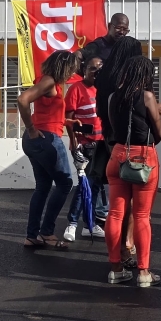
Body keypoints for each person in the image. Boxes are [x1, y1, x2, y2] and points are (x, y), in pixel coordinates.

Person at [104, 55, 161, 287]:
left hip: (118, 154)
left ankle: (115, 269)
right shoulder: (147, 96)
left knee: (114, 214)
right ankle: (144, 273)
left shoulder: (112, 97)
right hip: (143, 157)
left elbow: (113, 126)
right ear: (146, 75)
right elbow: (158, 133)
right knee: (141, 215)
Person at [18, 50, 82, 249]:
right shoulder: (49, 82)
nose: (73, 73)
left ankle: (32, 236)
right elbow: (23, 99)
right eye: (72, 69)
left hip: (36, 140)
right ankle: (47, 232)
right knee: (64, 183)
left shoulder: (49, 82)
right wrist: (31, 128)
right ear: (64, 67)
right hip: (46, 139)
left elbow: (47, 112)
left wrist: (67, 121)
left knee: (43, 186)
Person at [95, 36, 145, 265]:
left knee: (116, 204)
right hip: (131, 143)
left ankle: (117, 252)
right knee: (134, 199)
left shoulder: (105, 74)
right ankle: (128, 244)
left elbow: (101, 109)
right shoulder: (132, 79)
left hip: (110, 139)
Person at [63, 56, 106, 242]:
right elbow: (69, 119)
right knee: (84, 186)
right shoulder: (76, 89)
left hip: (102, 145)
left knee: (95, 186)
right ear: (84, 70)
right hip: (85, 145)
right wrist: (74, 143)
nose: (95, 72)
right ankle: (72, 223)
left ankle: (89, 224)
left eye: (99, 69)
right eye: (92, 68)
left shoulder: (104, 89)